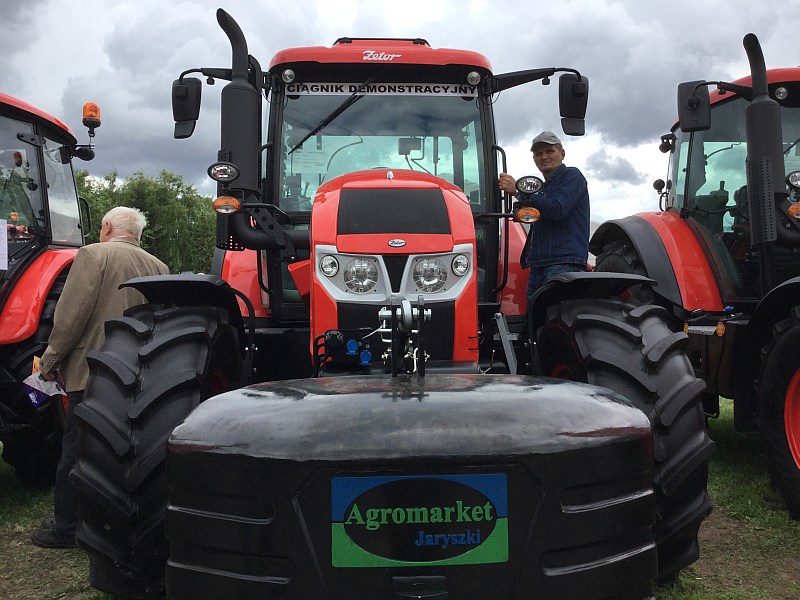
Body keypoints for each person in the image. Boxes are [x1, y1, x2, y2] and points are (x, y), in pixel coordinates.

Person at [31, 206, 169, 549]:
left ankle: (67, 527)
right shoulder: (158, 266)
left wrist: (49, 361)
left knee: (77, 451)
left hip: (94, 372)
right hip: (143, 375)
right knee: (124, 455)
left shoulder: (93, 254)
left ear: (107, 226)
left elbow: (71, 317)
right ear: (136, 234)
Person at [498, 130, 590, 300]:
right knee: (537, 314)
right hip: (539, 264)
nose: (544, 156)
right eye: (539, 154)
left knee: (556, 312)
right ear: (534, 159)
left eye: (549, 151)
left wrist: (518, 191)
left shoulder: (572, 176)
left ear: (562, 154)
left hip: (563, 263)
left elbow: (557, 209)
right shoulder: (542, 189)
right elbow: (536, 210)